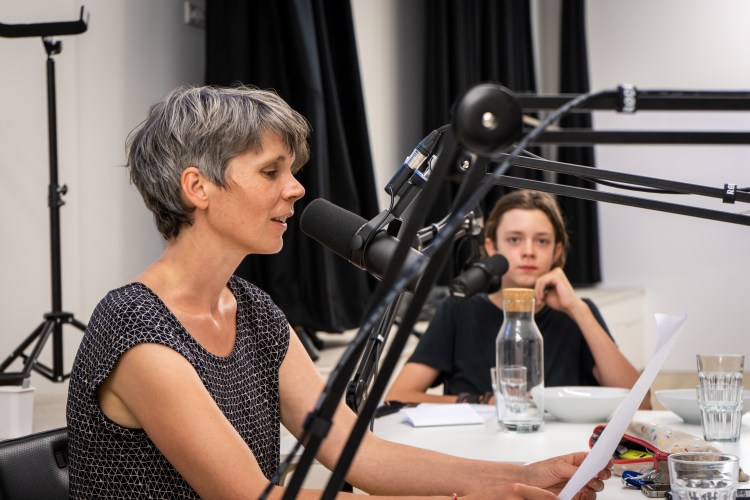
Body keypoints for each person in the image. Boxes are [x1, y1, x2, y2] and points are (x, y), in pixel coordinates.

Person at [66, 85, 612, 499]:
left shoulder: (253, 310)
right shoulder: (137, 329)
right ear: (197, 187)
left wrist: (519, 478)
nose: (296, 188)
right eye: (271, 171)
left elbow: (359, 452)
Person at [386, 189, 650, 409]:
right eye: (514, 239)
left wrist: (578, 310)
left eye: (542, 241)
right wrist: (482, 402)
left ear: (557, 251)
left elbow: (641, 405)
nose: (528, 251)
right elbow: (398, 396)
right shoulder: (459, 310)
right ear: (492, 247)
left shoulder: (579, 312)